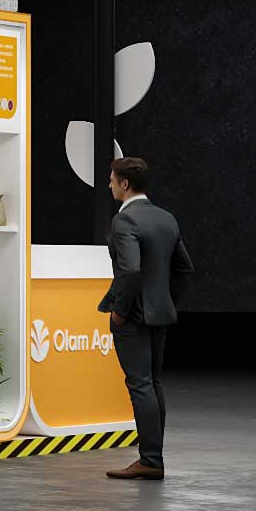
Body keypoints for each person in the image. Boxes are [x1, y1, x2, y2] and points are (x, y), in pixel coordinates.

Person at [98, 156, 193, 480]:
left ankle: (150, 460)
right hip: (159, 313)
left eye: (112, 179)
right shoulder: (166, 218)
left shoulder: (124, 220)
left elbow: (130, 270)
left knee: (140, 385)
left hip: (134, 317)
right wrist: (164, 299)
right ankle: (153, 458)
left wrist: (120, 312)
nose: (109, 185)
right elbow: (184, 269)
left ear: (125, 183)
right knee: (153, 383)